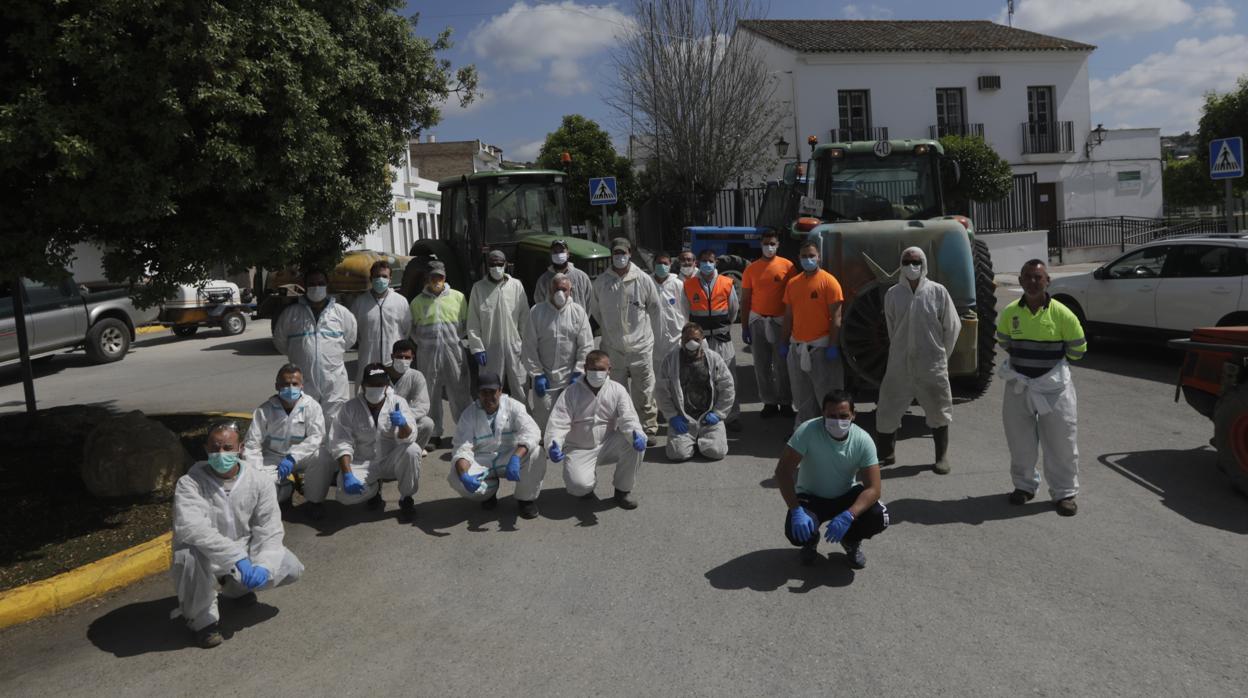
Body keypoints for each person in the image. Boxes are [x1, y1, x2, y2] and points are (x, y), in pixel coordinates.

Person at [172, 422, 303, 648]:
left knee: (290, 567)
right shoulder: (190, 484)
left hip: (243, 555)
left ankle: (236, 589)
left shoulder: (259, 481)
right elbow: (193, 528)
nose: (221, 454)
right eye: (215, 448)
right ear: (205, 449)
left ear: (240, 447)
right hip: (209, 557)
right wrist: (235, 557)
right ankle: (202, 621)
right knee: (187, 552)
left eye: (227, 447)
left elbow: (269, 528)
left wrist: (263, 564)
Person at [997, 259, 1086, 516]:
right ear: (1020, 280)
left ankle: (1065, 493)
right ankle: (1024, 487)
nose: (1033, 282)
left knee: (1061, 442)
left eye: (1038, 277)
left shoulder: (1062, 313)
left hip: (1054, 390)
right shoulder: (1011, 312)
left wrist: (1048, 371)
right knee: (1019, 441)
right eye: (1028, 277)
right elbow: (1004, 341)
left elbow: (1078, 349)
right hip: (1019, 387)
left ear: (1048, 281)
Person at [774, 390, 888, 569]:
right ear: (823, 414)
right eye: (832, 416)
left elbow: (874, 488)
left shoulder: (863, 440)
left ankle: (851, 540)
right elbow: (782, 472)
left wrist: (850, 514)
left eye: (843, 416)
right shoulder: (807, 431)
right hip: (811, 497)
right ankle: (810, 541)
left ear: (853, 415)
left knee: (879, 516)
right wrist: (795, 510)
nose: (838, 421)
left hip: (846, 495)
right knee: (795, 532)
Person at [875, 247, 962, 474]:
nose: (911, 266)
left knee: (938, 408)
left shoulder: (938, 292)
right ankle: (887, 453)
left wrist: (941, 354)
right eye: (906, 261)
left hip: (931, 362)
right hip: (900, 362)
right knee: (888, 406)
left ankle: (941, 456)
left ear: (923, 264)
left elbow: (952, 326)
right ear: (900, 264)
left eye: (916, 261)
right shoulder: (893, 294)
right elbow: (891, 328)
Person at [306, 364, 422, 521]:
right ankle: (374, 490)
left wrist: (403, 424)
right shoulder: (349, 407)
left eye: (380, 385)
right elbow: (340, 442)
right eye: (371, 385)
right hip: (363, 461)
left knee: (413, 450)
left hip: (390, 460)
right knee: (344, 496)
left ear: (387, 385)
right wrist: (347, 474)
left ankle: (406, 498)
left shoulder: (398, 403)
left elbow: (408, 437)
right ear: (363, 385)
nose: (376, 388)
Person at [545, 350, 646, 508]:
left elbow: (628, 417)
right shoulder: (570, 393)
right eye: (593, 369)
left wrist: (637, 435)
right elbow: (558, 423)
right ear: (585, 368)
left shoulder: (617, 390)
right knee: (579, 487)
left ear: (609, 370)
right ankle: (588, 485)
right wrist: (553, 444)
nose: (597, 373)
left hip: (607, 443)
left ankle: (622, 491)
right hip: (579, 448)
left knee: (634, 444)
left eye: (601, 369)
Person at [590, 237, 662, 446]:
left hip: (641, 346)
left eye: (623, 253)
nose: (620, 257)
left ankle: (648, 428)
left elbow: (655, 309)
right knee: (616, 392)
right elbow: (597, 311)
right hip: (613, 348)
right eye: (616, 253)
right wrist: (610, 333)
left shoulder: (643, 279)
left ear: (630, 253)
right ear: (611, 255)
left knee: (644, 391)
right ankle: (624, 429)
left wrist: (652, 340)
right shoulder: (602, 282)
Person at [447, 371, 543, 518]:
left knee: (537, 453)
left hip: (510, 458)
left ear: (500, 390)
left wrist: (517, 457)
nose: (488, 397)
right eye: (483, 392)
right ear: (477, 393)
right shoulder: (469, 414)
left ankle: (526, 500)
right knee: (456, 476)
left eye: (492, 391)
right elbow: (462, 447)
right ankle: (488, 493)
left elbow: (532, 431)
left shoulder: (514, 406)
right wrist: (465, 475)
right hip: (483, 460)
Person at [273, 269, 357, 419]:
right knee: (304, 423)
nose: (316, 287)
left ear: (327, 285)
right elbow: (280, 342)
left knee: (336, 424)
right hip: (303, 381)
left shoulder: (341, 313)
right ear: (304, 286)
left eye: (320, 283)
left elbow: (350, 339)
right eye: (311, 284)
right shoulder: (291, 314)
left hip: (334, 381)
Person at [241, 364, 326, 505]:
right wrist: (257, 473)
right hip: (273, 458)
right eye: (286, 384)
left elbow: (316, 437)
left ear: (302, 386)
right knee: (260, 491)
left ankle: (314, 501)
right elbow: (252, 444)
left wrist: (293, 457)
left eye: (295, 384)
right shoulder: (264, 410)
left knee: (323, 457)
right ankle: (287, 488)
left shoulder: (312, 406)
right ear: (277, 385)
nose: (291, 388)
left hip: (301, 457)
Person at [781, 240, 844, 425]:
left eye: (811, 256)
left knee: (829, 396)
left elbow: (837, 317)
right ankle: (804, 433)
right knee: (802, 397)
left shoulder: (829, 282)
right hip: (798, 348)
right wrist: (784, 343)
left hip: (822, 349)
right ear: (799, 258)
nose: (808, 259)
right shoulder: (793, 284)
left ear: (819, 258)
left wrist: (833, 346)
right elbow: (788, 316)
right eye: (804, 256)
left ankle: (833, 433)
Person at [409, 261, 470, 449]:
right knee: (430, 393)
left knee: (460, 391)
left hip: (454, 352)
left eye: (440, 277)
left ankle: (465, 431)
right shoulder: (417, 302)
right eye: (433, 277)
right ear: (427, 278)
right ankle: (434, 434)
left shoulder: (458, 298)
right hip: (428, 353)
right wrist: (424, 345)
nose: (437, 280)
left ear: (445, 278)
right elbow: (412, 330)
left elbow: (466, 324)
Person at [656, 323, 735, 462]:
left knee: (716, 452)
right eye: (687, 339)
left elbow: (727, 387)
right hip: (683, 419)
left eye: (696, 339)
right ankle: (691, 440)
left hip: (708, 418)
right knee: (677, 454)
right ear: (681, 340)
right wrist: (672, 416)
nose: (691, 343)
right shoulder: (670, 360)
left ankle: (703, 439)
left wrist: (718, 413)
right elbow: (662, 391)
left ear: (702, 340)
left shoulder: (713, 358)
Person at [523, 273, 593, 430]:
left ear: (570, 291)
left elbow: (586, 345)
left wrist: (578, 372)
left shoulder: (577, 312)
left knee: (571, 420)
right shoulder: (537, 312)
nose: (560, 293)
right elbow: (528, 346)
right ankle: (544, 450)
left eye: (564, 289)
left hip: (571, 379)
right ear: (549, 290)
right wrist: (537, 374)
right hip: (545, 379)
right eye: (556, 289)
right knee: (543, 422)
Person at [683, 248, 741, 430]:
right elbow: (686, 313)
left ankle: (731, 416)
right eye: (704, 261)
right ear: (698, 264)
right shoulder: (689, 285)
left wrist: (722, 327)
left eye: (711, 260)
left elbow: (733, 310)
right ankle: (703, 414)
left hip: (723, 340)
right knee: (701, 378)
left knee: (728, 379)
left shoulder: (727, 283)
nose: (707, 264)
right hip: (701, 343)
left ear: (715, 263)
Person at [741, 230, 795, 419]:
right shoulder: (751, 269)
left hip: (780, 322)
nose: (769, 247)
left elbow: (793, 297)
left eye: (772, 243)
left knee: (783, 365)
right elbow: (746, 299)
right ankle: (769, 402)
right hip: (757, 321)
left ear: (778, 244)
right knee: (761, 365)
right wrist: (744, 326)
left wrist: (792, 325)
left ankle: (786, 401)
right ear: (760, 245)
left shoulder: (788, 266)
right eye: (765, 243)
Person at [467, 249, 530, 399]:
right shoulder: (478, 288)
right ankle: (492, 420)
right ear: (487, 266)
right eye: (493, 264)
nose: (496, 267)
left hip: (515, 345)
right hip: (490, 348)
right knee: (490, 389)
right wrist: (477, 348)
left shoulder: (516, 286)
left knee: (520, 386)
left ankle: (521, 418)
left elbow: (524, 317)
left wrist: (527, 344)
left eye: (500, 264)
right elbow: (473, 322)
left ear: (506, 264)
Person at [351, 260, 411, 385]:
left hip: (394, 359)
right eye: (377, 276)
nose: (380, 279)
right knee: (368, 396)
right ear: (371, 278)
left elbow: (407, 329)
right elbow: (354, 332)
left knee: (396, 397)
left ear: (390, 279)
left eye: (384, 276)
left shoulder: (400, 301)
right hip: (368, 358)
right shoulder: (360, 303)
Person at [386, 338, 435, 452]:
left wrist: (404, 419)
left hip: (405, 421)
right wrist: (386, 418)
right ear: (392, 356)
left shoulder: (416, 376)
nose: (403, 360)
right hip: (381, 422)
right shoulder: (382, 373)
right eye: (399, 357)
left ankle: (413, 453)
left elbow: (422, 406)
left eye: (407, 357)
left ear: (413, 358)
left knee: (427, 424)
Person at [652, 251, 687, 375]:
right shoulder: (648, 283)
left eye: (665, 263)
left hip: (675, 338)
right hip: (654, 341)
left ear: (670, 264)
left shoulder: (678, 284)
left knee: (676, 375)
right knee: (657, 379)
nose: (662, 266)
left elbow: (685, 310)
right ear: (653, 264)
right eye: (659, 263)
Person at [533, 239, 595, 310]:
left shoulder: (581, 277)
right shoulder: (543, 280)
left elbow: (590, 302)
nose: (559, 255)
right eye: (555, 252)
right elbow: (539, 304)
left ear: (568, 254)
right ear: (551, 255)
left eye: (562, 251)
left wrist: (582, 319)